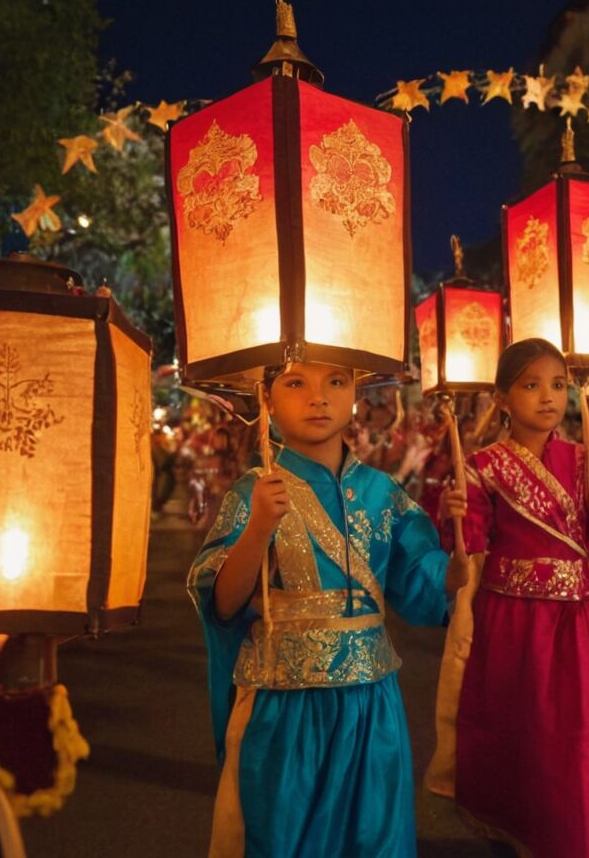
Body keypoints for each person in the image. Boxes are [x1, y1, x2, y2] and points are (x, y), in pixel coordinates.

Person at [188, 361, 466, 858]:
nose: (318, 397)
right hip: (284, 705)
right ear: (267, 401)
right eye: (296, 383)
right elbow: (225, 605)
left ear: (355, 394)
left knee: (376, 839)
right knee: (284, 837)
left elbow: (424, 585)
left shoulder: (385, 494)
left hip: (372, 701)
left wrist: (459, 563)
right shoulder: (254, 491)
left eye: (335, 382)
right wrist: (257, 529)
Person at [440, 338, 589, 858]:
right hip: (508, 619)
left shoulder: (584, 463)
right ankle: (512, 829)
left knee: (572, 737)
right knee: (515, 729)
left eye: (558, 385)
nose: (548, 397)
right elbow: (460, 569)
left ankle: (572, 839)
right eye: (531, 385)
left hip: (574, 619)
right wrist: (454, 524)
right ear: (502, 398)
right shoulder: (481, 467)